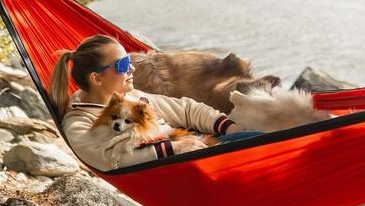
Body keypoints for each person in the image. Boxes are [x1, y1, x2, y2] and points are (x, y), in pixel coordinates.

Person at [50, 34, 255, 171]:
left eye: (129, 61)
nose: (132, 69)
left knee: (265, 141)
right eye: (123, 65)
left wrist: (228, 127)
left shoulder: (133, 97)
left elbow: (186, 109)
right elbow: (112, 160)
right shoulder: (79, 123)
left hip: (200, 146)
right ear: (96, 78)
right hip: (182, 169)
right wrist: (174, 148)